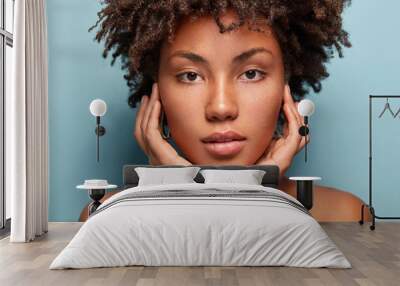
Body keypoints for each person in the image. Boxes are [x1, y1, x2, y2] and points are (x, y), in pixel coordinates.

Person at [90, 0, 368, 222]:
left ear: (287, 83)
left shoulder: (346, 215)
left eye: (251, 73)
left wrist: (255, 190)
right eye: (190, 76)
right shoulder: (104, 215)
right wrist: (182, 189)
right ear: (156, 92)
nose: (221, 108)